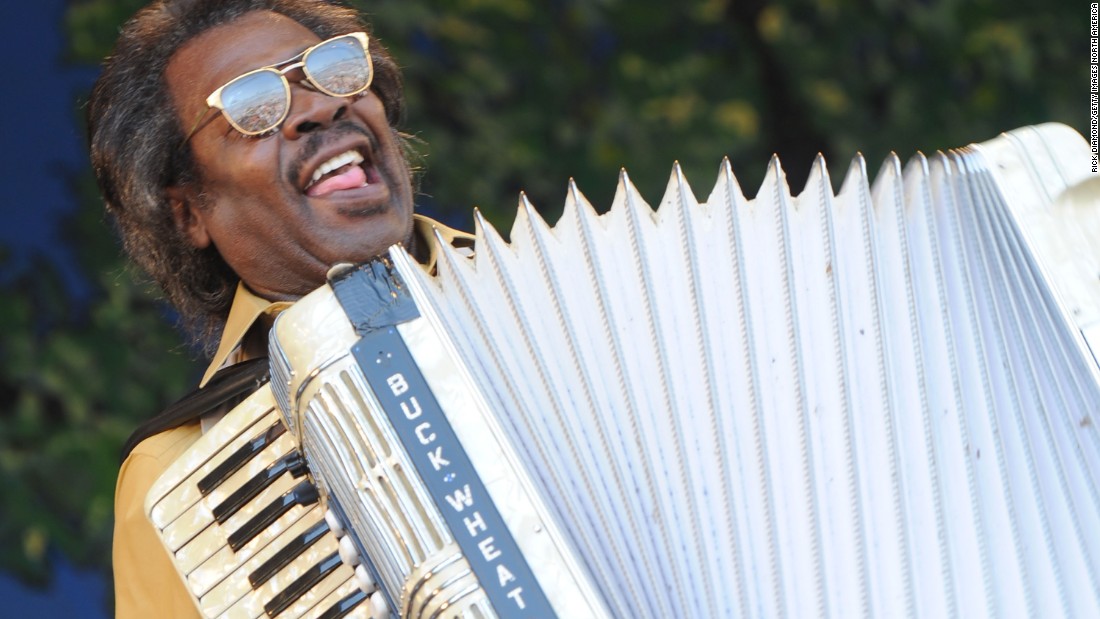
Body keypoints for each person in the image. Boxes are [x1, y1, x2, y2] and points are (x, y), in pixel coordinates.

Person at [87, 0, 473, 615]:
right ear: (190, 212)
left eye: (335, 71)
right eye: (253, 108)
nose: (320, 107)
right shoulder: (184, 474)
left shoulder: (578, 291)